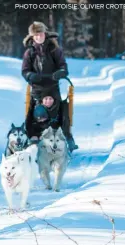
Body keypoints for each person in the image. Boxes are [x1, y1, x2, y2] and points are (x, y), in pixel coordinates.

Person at [22, 21, 78, 152]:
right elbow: (24, 70)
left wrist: (60, 72)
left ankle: (65, 136)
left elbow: (63, 66)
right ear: (32, 37)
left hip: (52, 87)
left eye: (40, 34)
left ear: (45, 34)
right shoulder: (29, 53)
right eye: (36, 35)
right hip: (37, 89)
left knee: (58, 111)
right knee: (35, 113)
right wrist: (30, 75)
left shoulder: (54, 49)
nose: (38, 37)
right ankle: (33, 137)